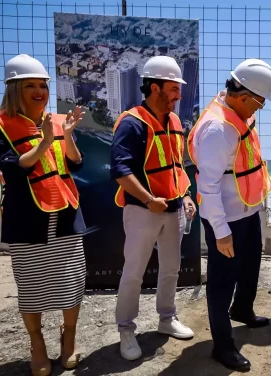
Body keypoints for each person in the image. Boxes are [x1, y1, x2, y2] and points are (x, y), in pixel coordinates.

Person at [0, 54, 86, 376]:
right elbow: (12, 167)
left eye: (42, 85)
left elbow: (75, 164)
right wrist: (46, 141)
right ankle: (37, 343)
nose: (38, 91)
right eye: (29, 85)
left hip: (64, 211)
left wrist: (68, 136)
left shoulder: (58, 120)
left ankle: (69, 335)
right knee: (31, 285)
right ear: (13, 89)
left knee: (71, 280)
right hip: (25, 216)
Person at [187, 58, 271, 371]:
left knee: (251, 264)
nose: (261, 108)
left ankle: (243, 310)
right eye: (260, 101)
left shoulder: (239, 114)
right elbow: (207, 188)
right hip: (226, 218)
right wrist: (221, 232)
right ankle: (222, 346)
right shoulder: (217, 129)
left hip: (247, 210)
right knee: (222, 281)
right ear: (243, 95)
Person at [111, 55, 197, 361]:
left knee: (171, 268)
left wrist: (185, 195)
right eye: (173, 88)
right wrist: (149, 200)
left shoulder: (174, 121)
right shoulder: (131, 122)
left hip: (173, 209)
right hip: (142, 211)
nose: (179, 95)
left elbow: (177, 166)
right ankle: (125, 329)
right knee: (134, 272)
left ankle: (166, 319)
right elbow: (121, 171)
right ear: (155, 87)